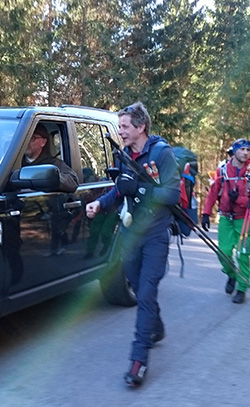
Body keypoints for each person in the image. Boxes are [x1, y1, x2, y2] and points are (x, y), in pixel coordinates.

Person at [85, 102, 180, 387]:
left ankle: (138, 361)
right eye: (120, 126)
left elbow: (172, 194)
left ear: (141, 127)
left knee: (146, 292)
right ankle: (157, 327)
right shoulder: (126, 155)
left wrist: (139, 188)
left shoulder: (161, 153)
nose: (120, 131)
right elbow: (119, 190)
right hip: (129, 235)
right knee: (140, 289)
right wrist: (100, 204)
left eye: (125, 126)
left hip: (154, 235)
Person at [202, 138, 250, 304]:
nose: (245, 153)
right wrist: (205, 213)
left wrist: (240, 200)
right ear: (234, 151)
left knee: (243, 254)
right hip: (225, 218)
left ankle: (242, 288)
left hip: (245, 219)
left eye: (247, 150)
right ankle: (231, 275)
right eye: (242, 149)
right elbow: (213, 193)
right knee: (223, 252)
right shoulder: (222, 171)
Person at [23, 124, 79, 193]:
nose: (26, 142)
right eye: (24, 138)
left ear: (43, 142)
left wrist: (49, 177)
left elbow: (73, 182)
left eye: (32, 138)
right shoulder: (13, 163)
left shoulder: (53, 164)